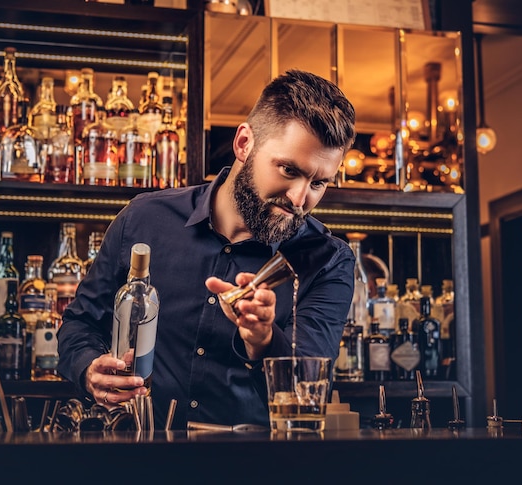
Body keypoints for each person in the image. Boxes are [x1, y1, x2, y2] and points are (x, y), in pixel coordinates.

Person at [57, 69, 357, 429]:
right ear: (245, 144)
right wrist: (89, 369)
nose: (299, 198)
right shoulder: (146, 219)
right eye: (288, 170)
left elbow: (309, 393)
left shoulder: (328, 260)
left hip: (247, 467)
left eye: (318, 183)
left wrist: (263, 341)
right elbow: (79, 324)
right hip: (138, 458)